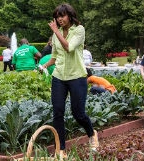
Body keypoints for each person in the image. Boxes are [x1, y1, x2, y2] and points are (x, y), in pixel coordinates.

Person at [41, 3, 99, 158]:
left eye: (63, 15)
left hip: (77, 77)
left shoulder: (79, 30)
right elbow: (55, 57)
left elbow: (69, 48)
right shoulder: (56, 33)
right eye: (58, 16)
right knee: (58, 112)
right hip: (59, 76)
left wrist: (55, 31)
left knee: (78, 113)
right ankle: (61, 150)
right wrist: (43, 66)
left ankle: (92, 133)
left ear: (70, 15)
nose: (60, 19)